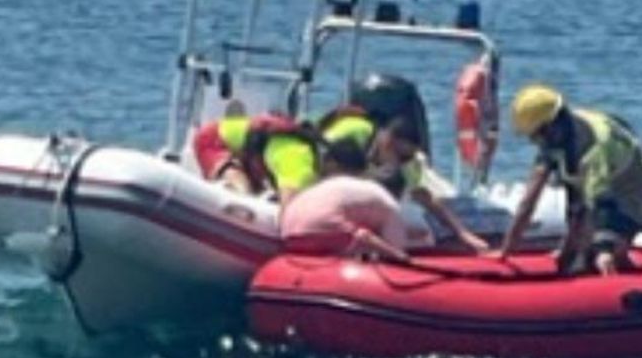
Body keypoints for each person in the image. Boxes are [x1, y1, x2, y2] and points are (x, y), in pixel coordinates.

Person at [491, 84, 642, 276]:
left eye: (539, 136)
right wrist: (507, 249)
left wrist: (604, 248)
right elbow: (528, 201)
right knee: (570, 258)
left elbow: (601, 203)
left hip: (637, 188)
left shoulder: (595, 149)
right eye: (533, 139)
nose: (537, 144)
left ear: (554, 125)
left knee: (597, 258)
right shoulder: (554, 141)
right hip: (596, 188)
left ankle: (621, 265)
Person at [278, 139, 411, 262]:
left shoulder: (328, 185)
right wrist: (398, 255)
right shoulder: (391, 208)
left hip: (287, 232)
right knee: (389, 252)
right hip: (322, 227)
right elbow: (392, 244)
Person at [371, 116, 490, 252]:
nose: (403, 163)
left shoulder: (408, 165)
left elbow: (425, 198)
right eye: (402, 157)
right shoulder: (363, 150)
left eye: (408, 158)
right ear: (389, 142)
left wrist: (463, 234)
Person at [191, 110, 321, 205]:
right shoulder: (296, 163)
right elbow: (289, 216)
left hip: (254, 154)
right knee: (240, 184)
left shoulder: (307, 163)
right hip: (213, 140)